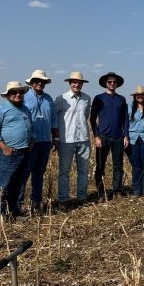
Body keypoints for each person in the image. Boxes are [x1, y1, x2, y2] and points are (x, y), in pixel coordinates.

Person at [0, 81, 33, 222]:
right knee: (3, 186)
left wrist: (32, 140)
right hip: (9, 154)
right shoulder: (1, 110)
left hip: (24, 152)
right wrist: (4, 147)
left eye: (20, 92)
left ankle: (14, 213)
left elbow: (31, 127)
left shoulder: (25, 109)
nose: (17, 94)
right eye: (14, 92)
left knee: (18, 185)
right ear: (8, 95)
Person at [18, 70, 59, 213]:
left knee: (39, 173)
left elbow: (54, 119)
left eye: (42, 81)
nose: (40, 83)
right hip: (30, 143)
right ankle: (18, 205)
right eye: (37, 81)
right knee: (24, 173)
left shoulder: (48, 99)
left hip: (45, 142)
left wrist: (55, 138)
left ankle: (36, 203)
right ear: (31, 83)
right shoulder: (23, 98)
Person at [90, 72, 129, 199]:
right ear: (105, 84)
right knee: (100, 166)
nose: (112, 84)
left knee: (118, 166)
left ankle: (117, 191)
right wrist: (96, 136)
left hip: (118, 137)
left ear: (117, 84)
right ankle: (101, 192)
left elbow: (125, 119)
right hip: (103, 137)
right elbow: (92, 118)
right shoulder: (99, 98)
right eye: (109, 82)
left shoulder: (121, 99)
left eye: (114, 82)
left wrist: (126, 135)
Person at [54, 71, 92, 203]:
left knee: (84, 170)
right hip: (66, 140)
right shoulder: (61, 99)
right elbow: (55, 119)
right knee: (64, 172)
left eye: (79, 83)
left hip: (84, 139)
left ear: (82, 84)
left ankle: (82, 196)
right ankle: (64, 198)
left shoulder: (87, 98)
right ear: (70, 83)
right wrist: (56, 138)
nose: (77, 84)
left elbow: (86, 116)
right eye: (74, 82)